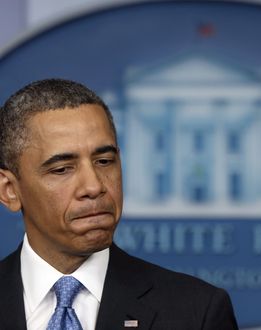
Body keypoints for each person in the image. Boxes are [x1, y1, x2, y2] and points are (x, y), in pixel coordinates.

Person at [0, 79, 238, 330]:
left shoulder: (197, 312)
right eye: (62, 169)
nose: (94, 186)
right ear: (10, 191)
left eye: (104, 161)